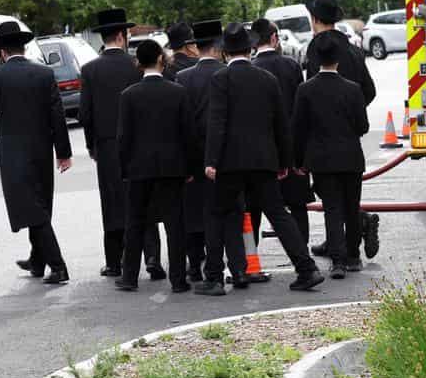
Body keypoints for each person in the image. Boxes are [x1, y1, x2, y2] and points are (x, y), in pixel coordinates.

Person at [196, 23, 324, 295]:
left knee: (216, 214)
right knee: (278, 213)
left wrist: (211, 161)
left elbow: (217, 122)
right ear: (250, 47)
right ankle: (306, 268)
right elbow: (281, 124)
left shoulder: (221, 79)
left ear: (224, 52)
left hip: (230, 162)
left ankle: (215, 277)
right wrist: (284, 162)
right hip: (264, 159)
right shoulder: (267, 79)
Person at [0, 21, 73, 284]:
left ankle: (58, 266)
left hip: (13, 154)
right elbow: (58, 115)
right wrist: (63, 152)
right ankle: (37, 260)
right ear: (23, 46)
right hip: (42, 150)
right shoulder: (44, 74)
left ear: (1, 52)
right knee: (40, 204)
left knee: (32, 209)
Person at [80, 8, 162, 279]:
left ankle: (115, 261)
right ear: (121, 35)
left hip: (106, 144)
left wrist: (92, 144)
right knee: (144, 198)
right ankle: (151, 257)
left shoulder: (90, 70)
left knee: (112, 201)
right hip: (139, 142)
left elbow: (86, 114)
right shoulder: (135, 66)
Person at [304, 0, 380, 259]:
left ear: (315, 20)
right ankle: (347, 240)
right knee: (346, 193)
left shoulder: (316, 49)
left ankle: (351, 232)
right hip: (350, 135)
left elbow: (310, 92)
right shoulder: (353, 49)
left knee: (330, 195)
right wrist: (353, 110)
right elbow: (369, 90)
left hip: (322, 137)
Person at [115, 41, 192, 293]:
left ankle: (129, 277)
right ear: (161, 58)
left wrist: (124, 167)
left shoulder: (128, 95)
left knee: (135, 221)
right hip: (172, 166)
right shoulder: (178, 92)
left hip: (139, 166)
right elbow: (187, 134)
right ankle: (179, 279)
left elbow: (123, 137)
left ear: (138, 62)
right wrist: (190, 166)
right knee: (175, 223)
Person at [293, 34, 370, 278]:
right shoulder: (353, 89)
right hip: (350, 157)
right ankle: (354, 256)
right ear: (338, 60)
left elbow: (299, 128)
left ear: (315, 61)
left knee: (332, 209)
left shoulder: (305, 90)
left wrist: (298, 161)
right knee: (351, 206)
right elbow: (363, 127)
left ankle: (337, 261)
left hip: (321, 159)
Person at [251, 18, 313, 245]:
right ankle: (301, 249)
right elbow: (301, 107)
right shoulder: (292, 66)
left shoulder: (251, 70)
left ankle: (251, 258)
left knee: (255, 206)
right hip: (292, 144)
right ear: (274, 38)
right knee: (297, 204)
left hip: (262, 149)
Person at [175, 20, 225, 282]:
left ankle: (194, 265)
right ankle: (226, 263)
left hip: (193, 153)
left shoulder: (183, 78)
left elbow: (181, 122)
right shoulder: (227, 72)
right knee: (221, 210)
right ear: (218, 45)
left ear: (195, 46)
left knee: (192, 212)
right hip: (224, 155)